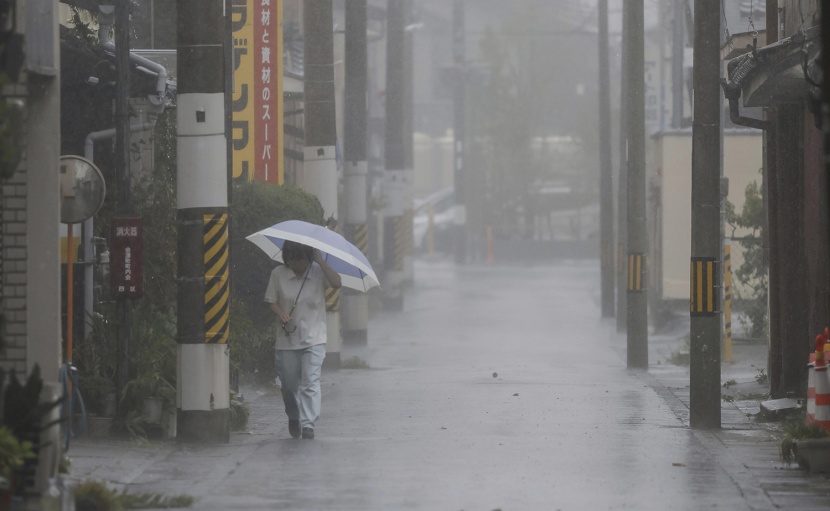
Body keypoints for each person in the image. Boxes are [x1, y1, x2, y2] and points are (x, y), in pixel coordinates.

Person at [264, 240, 341, 439]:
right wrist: (281, 314)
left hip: (314, 338)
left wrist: (320, 261)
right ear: (287, 259)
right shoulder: (278, 275)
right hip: (287, 341)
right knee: (289, 386)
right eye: (293, 260)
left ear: (308, 258)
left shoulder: (317, 272)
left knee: (310, 381)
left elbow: (336, 283)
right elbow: (271, 301)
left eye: (301, 259)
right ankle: (294, 415)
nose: (297, 264)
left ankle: (308, 425)